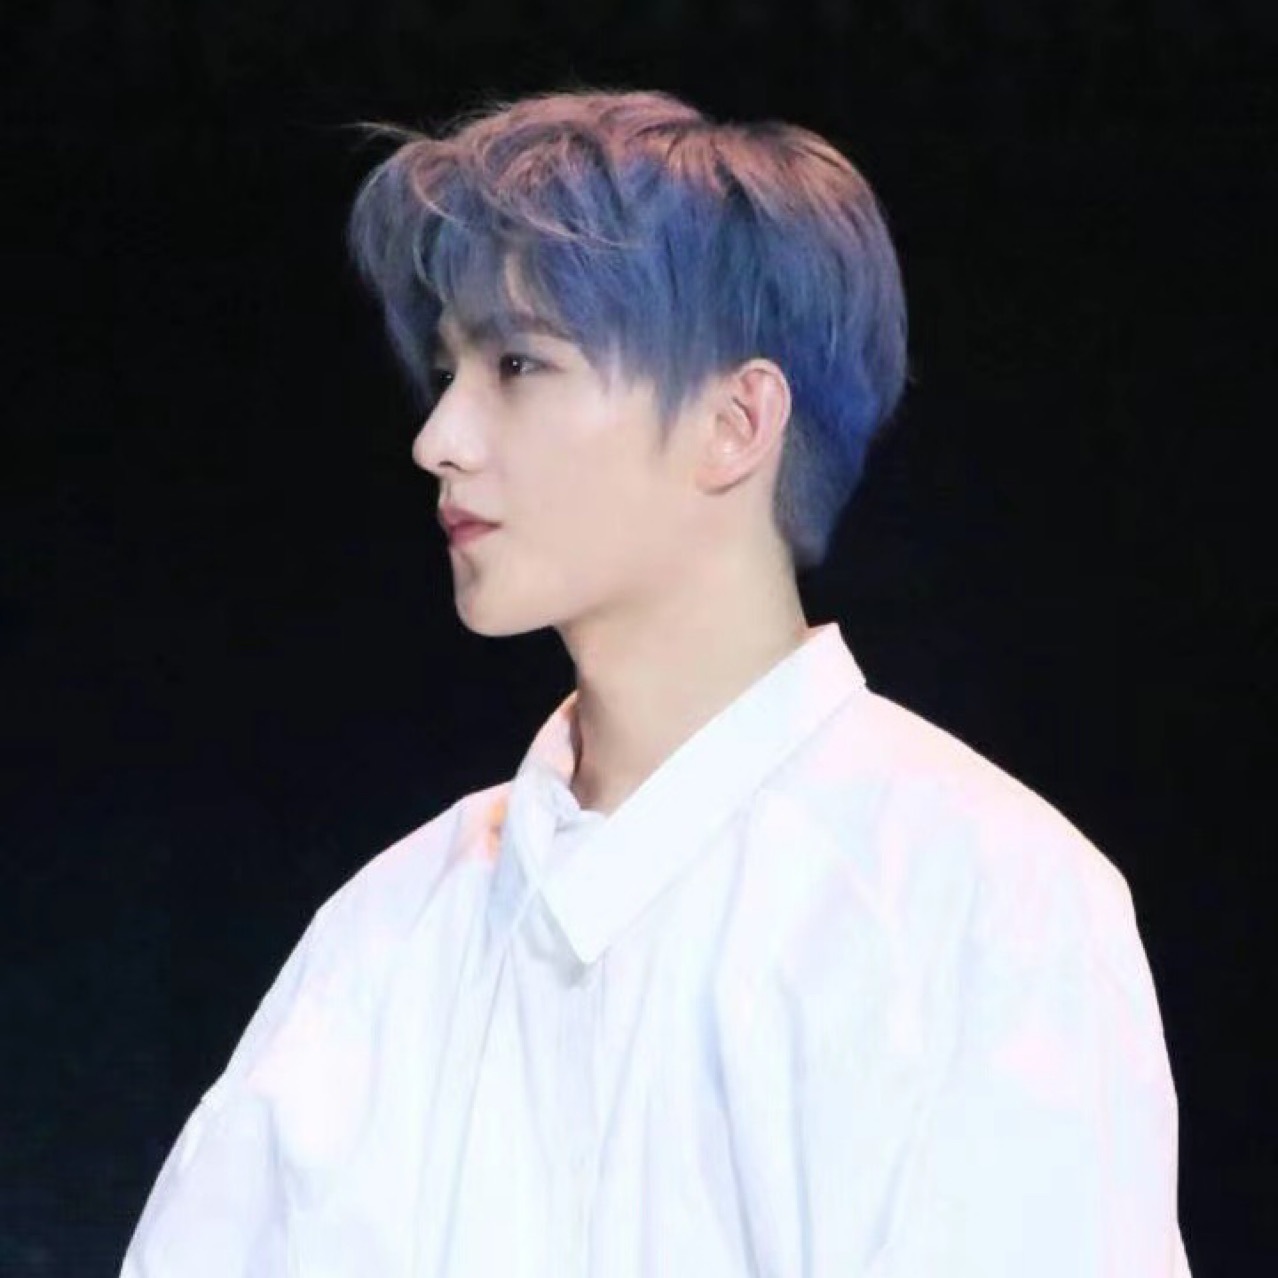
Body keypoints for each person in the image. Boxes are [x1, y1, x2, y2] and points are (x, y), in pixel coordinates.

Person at [121, 87, 1191, 1276]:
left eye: (518, 363)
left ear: (736, 421)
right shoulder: (387, 930)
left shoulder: (980, 897)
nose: (440, 438)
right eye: (447, 370)